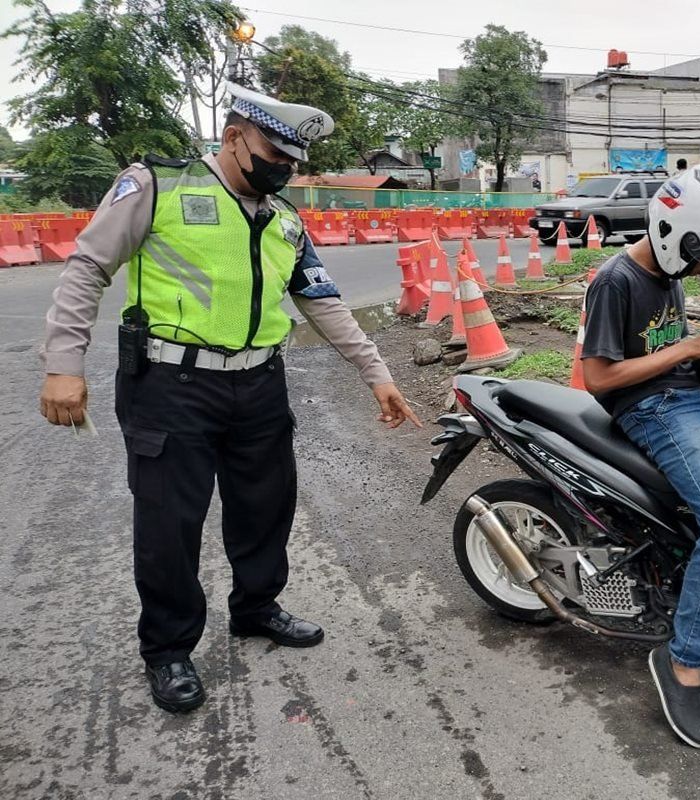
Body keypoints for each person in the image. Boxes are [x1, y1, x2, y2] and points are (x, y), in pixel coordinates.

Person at [37, 84, 422, 714]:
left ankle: (256, 608)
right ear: (233, 136)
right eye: (275, 153)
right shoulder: (158, 186)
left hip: (260, 384)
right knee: (169, 524)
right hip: (170, 385)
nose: (285, 169)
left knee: (265, 507)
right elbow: (87, 267)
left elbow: (322, 303)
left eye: (294, 162)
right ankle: (167, 649)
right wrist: (62, 364)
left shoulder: (285, 220)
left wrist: (376, 374)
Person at [579, 164, 700, 748]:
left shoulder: (671, 273)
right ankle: (683, 661)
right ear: (676, 236)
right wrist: (689, 348)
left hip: (693, 396)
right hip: (652, 411)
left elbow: (666, 350)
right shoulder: (617, 280)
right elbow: (597, 376)